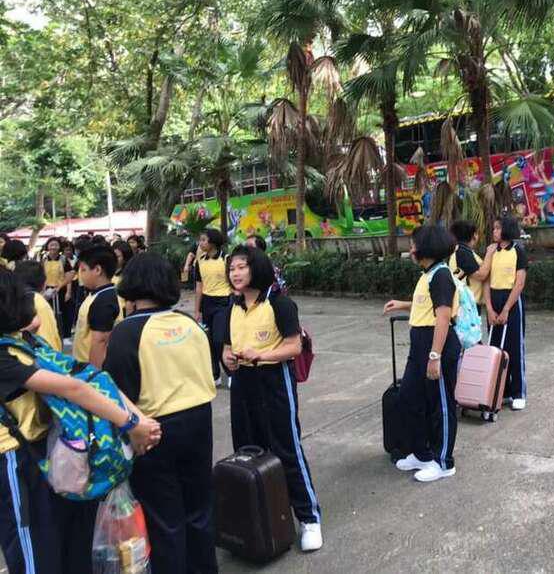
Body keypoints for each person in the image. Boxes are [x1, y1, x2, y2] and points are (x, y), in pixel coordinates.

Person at [0, 268, 160, 574]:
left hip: (40, 454)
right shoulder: (19, 346)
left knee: (52, 546)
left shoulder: (21, 342)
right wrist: (134, 423)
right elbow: (78, 385)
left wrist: (137, 421)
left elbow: (87, 380)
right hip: (23, 458)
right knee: (42, 548)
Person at [104, 253, 218, 574]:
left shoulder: (127, 331)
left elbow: (117, 391)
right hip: (199, 421)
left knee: (164, 519)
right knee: (199, 509)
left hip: (153, 430)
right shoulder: (190, 324)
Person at [222, 246, 323, 552]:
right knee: (247, 449)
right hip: (242, 382)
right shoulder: (232, 306)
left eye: (242, 267)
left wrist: (261, 355)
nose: (236, 273)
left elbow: (294, 347)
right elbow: (227, 346)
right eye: (232, 268)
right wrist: (228, 357)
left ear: (257, 268)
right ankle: (260, 519)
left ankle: (309, 518)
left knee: (286, 448)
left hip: (274, 381)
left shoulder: (280, 303)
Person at [383, 225, 461, 483]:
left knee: (441, 405)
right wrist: (402, 304)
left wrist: (435, 356)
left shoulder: (441, 275)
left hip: (436, 344)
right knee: (410, 397)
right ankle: (422, 453)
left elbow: (443, 316)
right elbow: (426, 304)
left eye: (414, 244)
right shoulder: (428, 274)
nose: (411, 249)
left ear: (426, 247)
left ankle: (443, 462)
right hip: (419, 345)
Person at [485, 216, 528, 411]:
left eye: (497, 228)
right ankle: (503, 391)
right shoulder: (491, 251)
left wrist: (505, 309)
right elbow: (485, 280)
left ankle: (518, 393)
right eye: (494, 228)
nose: (494, 231)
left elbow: (519, 283)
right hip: (493, 299)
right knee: (495, 348)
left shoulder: (518, 250)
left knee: (514, 346)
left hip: (511, 301)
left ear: (507, 230)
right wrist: (489, 308)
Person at [73, 245, 120, 368]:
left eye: (83, 270)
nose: (80, 274)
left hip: (91, 369)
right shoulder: (96, 294)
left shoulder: (103, 300)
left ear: (98, 270)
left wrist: (94, 374)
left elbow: (100, 341)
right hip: (83, 365)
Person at [194, 229, 230, 384]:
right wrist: (197, 310)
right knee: (208, 340)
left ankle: (230, 372)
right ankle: (215, 375)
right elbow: (199, 287)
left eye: (204, 240)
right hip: (207, 303)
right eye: (200, 240)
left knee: (219, 339)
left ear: (213, 242)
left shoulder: (226, 259)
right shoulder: (200, 261)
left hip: (224, 302)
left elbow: (233, 282)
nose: (200, 243)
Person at [14, 261, 63, 352]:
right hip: (41, 357)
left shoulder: (17, 299)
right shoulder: (39, 303)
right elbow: (49, 342)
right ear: (43, 283)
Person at [448, 220, 494, 315]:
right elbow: (481, 275)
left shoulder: (461, 250)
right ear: (474, 235)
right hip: (466, 305)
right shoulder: (463, 252)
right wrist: (489, 253)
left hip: (465, 303)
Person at [41, 237, 72, 330]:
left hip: (61, 289)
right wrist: (42, 291)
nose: (53, 247)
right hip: (47, 290)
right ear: (47, 247)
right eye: (51, 245)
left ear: (59, 247)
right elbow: (41, 276)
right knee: (48, 312)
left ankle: (64, 333)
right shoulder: (44, 259)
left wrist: (68, 292)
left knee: (63, 313)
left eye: (56, 245)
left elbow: (68, 276)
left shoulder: (63, 259)